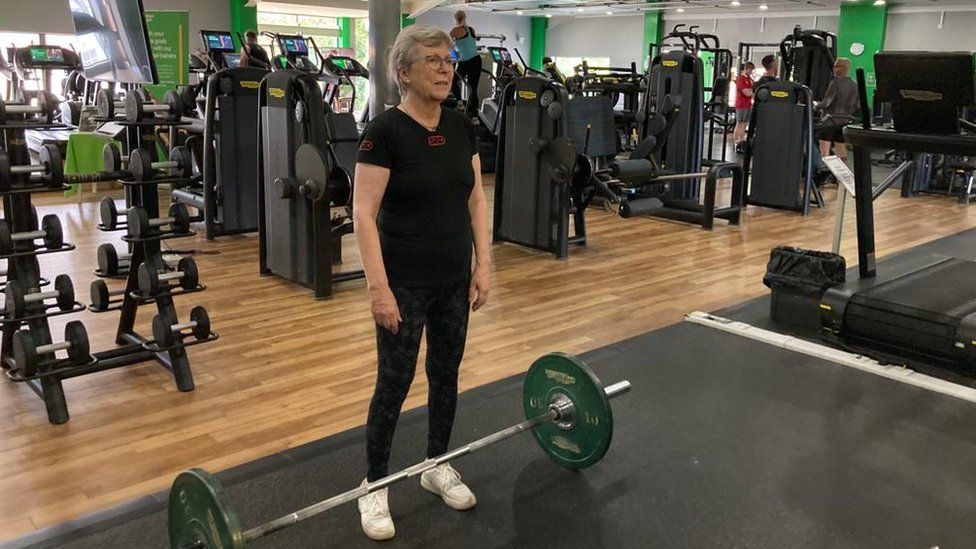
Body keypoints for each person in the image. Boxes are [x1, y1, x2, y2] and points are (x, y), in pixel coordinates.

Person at [353, 25, 491, 542]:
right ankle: (375, 484)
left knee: (446, 373)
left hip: (454, 279)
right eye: (432, 60)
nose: (445, 68)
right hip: (403, 282)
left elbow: (476, 199)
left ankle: (438, 463)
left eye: (449, 60)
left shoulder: (459, 126)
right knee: (393, 383)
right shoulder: (385, 131)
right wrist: (378, 289)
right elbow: (362, 215)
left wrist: (484, 265)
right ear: (404, 72)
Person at [815, 57, 859, 161]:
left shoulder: (835, 83)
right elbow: (857, 105)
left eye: (835, 67)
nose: (833, 69)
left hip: (829, 121)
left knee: (824, 152)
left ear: (842, 68)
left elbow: (826, 103)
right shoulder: (855, 84)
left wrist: (816, 106)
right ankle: (840, 177)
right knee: (841, 151)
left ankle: (825, 173)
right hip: (845, 121)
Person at [449, 11, 483, 117]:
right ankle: (474, 117)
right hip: (476, 60)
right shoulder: (471, 30)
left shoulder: (455, 30)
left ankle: (460, 103)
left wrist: (452, 56)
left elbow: (446, 42)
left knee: (452, 81)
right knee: (473, 88)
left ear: (456, 19)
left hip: (465, 61)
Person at [733, 62, 755, 154]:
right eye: (751, 69)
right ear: (747, 69)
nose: (752, 71)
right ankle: (737, 143)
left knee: (744, 124)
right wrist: (753, 92)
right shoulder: (741, 79)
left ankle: (741, 142)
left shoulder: (749, 79)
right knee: (740, 124)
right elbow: (747, 93)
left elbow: (752, 91)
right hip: (741, 104)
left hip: (748, 104)